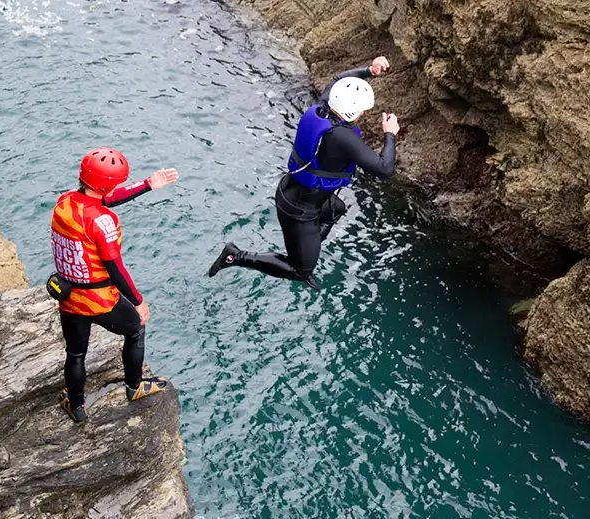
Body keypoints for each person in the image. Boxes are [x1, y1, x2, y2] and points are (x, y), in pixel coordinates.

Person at [207, 55, 400, 289]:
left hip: (293, 192)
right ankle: (236, 256)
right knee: (300, 271)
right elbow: (384, 168)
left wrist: (369, 70)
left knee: (336, 209)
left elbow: (340, 78)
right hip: (299, 210)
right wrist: (390, 133)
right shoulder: (343, 137)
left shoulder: (322, 107)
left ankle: (306, 249)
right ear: (354, 112)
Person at [50, 147, 179, 422]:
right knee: (135, 330)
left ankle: (76, 406)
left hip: (69, 297)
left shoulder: (64, 203)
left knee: (75, 354)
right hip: (99, 300)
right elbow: (115, 268)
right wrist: (138, 301)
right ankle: (135, 386)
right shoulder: (103, 220)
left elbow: (100, 200)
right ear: (109, 185)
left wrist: (147, 185)